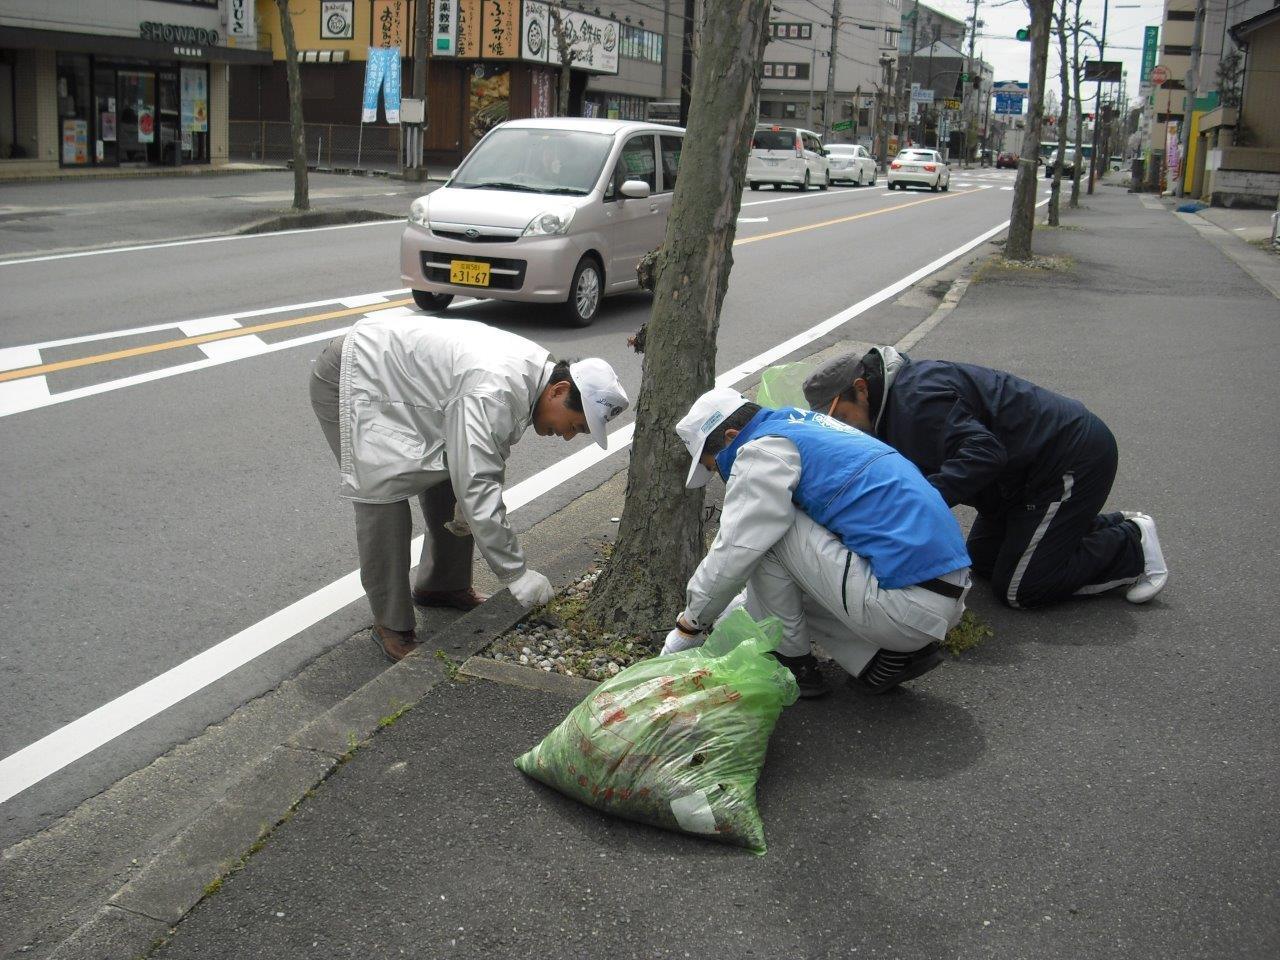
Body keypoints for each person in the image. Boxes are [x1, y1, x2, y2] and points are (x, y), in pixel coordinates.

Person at [310, 316, 628, 661]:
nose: (567, 436)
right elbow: (478, 484)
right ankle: (391, 624)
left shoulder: (531, 377)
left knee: (454, 472)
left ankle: (441, 586)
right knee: (382, 493)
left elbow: (482, 460)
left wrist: (472, 503)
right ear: (560, 390)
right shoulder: (496, 390)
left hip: (397, 381)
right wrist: (516, 574)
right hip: (353, 374)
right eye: (576, 426)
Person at [661, 388, 973, 697]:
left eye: (714, 466)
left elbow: (736, 549)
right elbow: (801, 567)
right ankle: (877, 657)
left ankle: (793, 664)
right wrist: (730, 611)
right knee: (772, 534)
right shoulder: (803, 427)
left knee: (765, 536)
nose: (719, 474)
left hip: (908, 604)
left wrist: (689, 626)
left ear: (731, 437)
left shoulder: (761, 449)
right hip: (942, 589)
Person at [802, 347, 1166, 609]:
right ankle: (1091, 527)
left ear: (862, 388)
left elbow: (984, 454)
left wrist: (919, 501)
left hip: (1067, 461)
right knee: (983, 563)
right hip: (1018, 480)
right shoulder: (890, 406)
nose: (849, 429)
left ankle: (1132, 544)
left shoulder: (915, 401)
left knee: (1022, 588)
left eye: (845, 417)